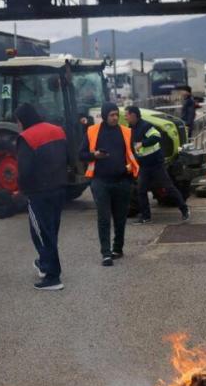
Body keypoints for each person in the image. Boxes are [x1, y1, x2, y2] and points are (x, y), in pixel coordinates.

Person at [79, 102, 139, 267]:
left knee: (120, 219)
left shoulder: (126, 132)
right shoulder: (92, 131)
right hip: (100, 182)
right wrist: (95, 155)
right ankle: (106, 253)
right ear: (105, 115)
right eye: (111, 115)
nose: (115, 117)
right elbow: (81, 154)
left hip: (122, 181)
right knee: (104, 218)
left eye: (116, 114)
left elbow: (133, 155)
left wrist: (130, 176)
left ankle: (117, 249)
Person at [16, 103, 68, 291]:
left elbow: (25, 170)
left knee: (41, 233)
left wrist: (21, 189)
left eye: (18, 121)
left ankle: (53, 278)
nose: (18, 125)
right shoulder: (58, 130)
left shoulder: (26, 138)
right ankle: (44, 264)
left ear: (23, 120)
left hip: (39, 193)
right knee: (51, 230)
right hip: (60, 188)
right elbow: (68, 157)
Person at [125, 106, 189, 225]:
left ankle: (184, 210)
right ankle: (146, 217)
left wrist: (142, 144)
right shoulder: (131, 128)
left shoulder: (145, 126)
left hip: (156, 164)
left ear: (133, 115)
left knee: (169, 188)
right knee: (141, 190)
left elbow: (157, 136)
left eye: (127, 115)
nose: (125, 117)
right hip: (144, 165)